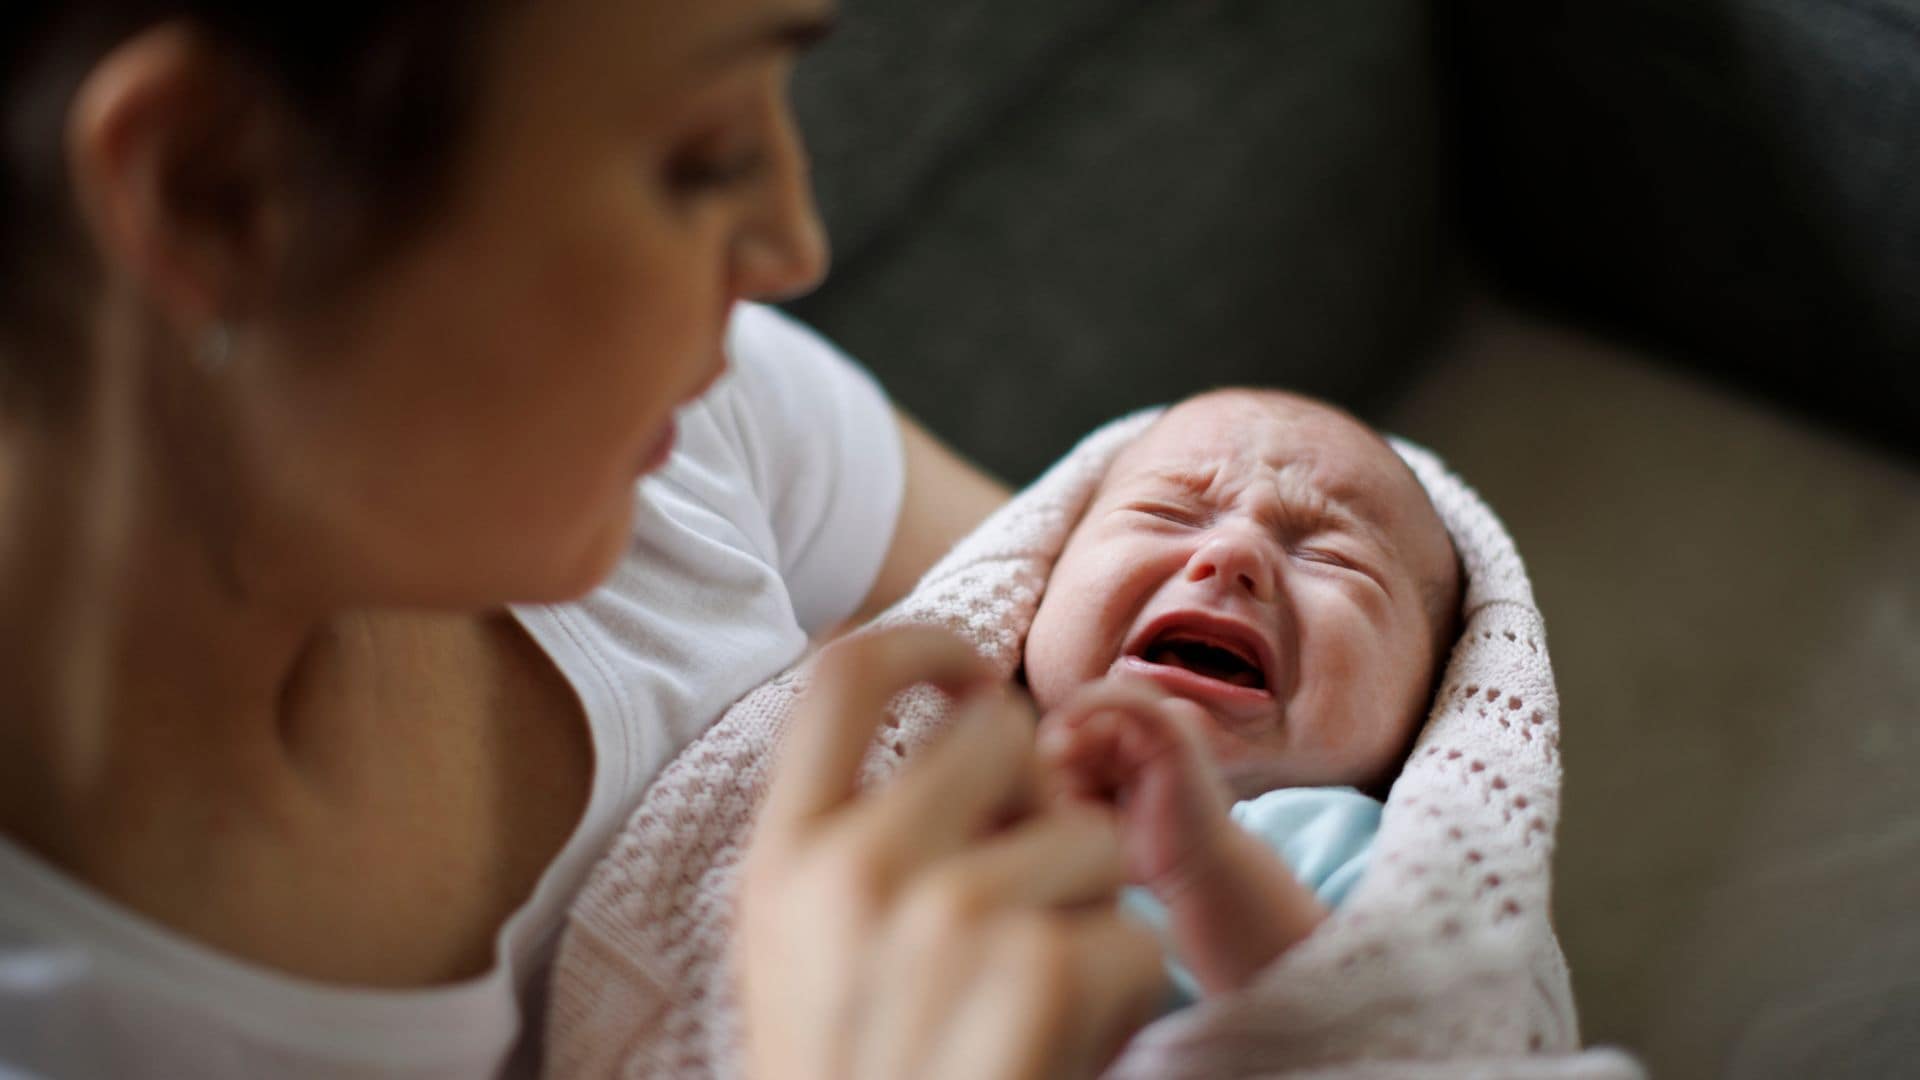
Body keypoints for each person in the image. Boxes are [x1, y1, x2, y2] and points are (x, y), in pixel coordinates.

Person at [0, 1, 1164, 1076]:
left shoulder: (669, 430)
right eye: (701, 156)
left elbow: (1284, 665)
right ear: (216, 191)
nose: (794, 247)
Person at [1023, 389, 1461, 1000]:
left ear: (1434, 702)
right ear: (1038, 580)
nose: (1233, 552)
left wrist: (1203, 863)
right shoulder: (956, 754)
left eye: (1334, 556)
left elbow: (1394, 1030)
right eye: (1166, 512)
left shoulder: (1355, 846)